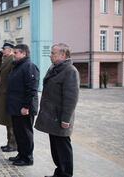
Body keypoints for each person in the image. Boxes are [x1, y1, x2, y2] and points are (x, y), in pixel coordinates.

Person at [35, 43, 80, 177]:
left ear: (63, 55)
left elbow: (71, 98)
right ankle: (59, 172)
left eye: (53, 53)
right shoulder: (55, 68)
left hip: (60, 118)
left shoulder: (70, 71)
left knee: (63, 149)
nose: (50, 55)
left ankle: (66, 174)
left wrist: (66, 119)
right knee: (55, 149)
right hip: (51, 116)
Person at [6, 44, 39, 166]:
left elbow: (31, 89)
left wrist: (26, 106)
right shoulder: (18, 66)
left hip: (24, 108)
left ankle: (28, 158)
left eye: (16, 53)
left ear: (24, 53)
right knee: (19, 133)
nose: (13, 55)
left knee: (25, 133)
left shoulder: (29, 66)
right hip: (16, 107)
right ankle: (21, 154)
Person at [0, 42, 17, 153]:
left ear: (10, 49)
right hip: (4, 94)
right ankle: (9, 142)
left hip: (8, 94)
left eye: (4, 49)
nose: (2, 50)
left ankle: (13, 144)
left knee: (10, 120)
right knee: (7, 120)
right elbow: (0, 69)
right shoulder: (6, 59)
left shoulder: (12, 60)